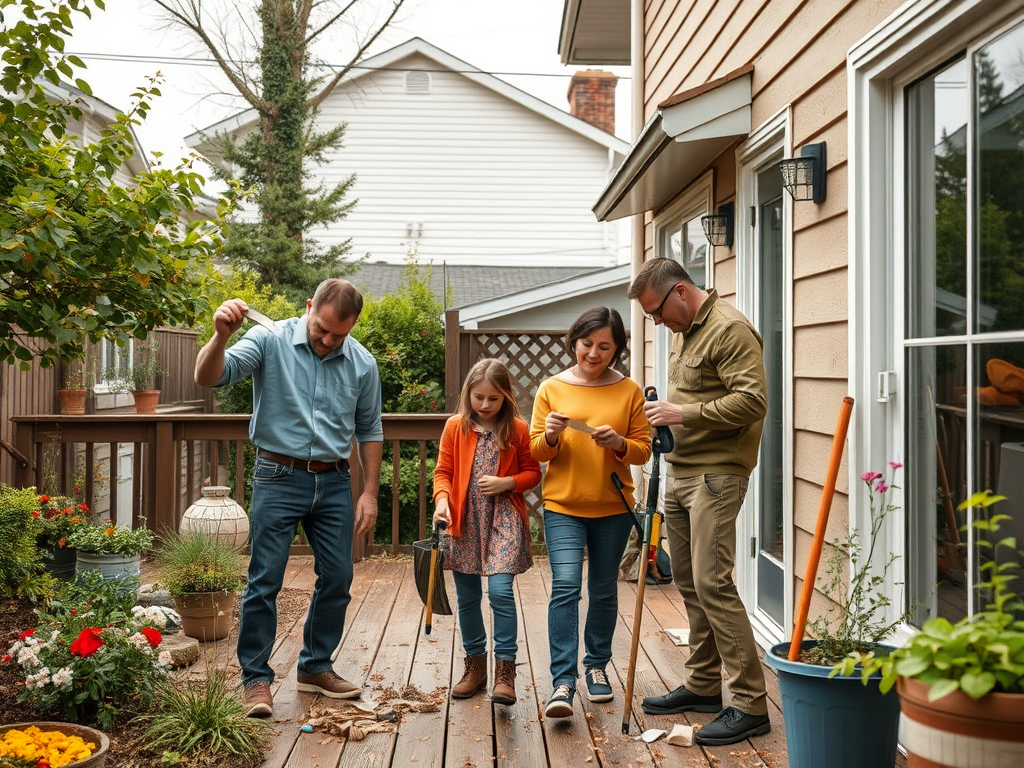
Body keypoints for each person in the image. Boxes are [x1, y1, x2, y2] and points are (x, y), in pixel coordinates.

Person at [194, 278, 384, 718]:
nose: (329, 340)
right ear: (308, 307)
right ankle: (256, 680)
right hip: (278, 476)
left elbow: (370, 430)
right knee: (265, 581)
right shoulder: (267, 337)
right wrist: (221, 334)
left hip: (335, 480)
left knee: (337, 578)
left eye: (341, 334)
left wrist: (369, 493)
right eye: (322, 329)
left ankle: (315, 666)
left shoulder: (362, 363)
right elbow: (210, 376)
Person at [627, 258, 770, 746]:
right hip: (682, 472)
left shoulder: (730, 330)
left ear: (681, 292)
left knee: (713, 582)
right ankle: (705, 686)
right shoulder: (683, 330)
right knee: (688, 580)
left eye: (657, 313)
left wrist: (681, 412)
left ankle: (750, 704)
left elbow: (753, 402)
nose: (657, 323)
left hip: (717, 475)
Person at [529, 306, 652, 718]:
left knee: (602, 588)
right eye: (587, 344)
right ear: (574, 342)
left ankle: (596, 667)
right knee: (565, 586)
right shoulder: (551, 388)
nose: (594, 354)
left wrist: (619, 442)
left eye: (605, 346)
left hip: (614, 508)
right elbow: (535, 451)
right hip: (562, 505)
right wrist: (548, 435)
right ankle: (562, 682)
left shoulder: (629, 391)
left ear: (617, 349)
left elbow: (643, 448)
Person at [432, 358, 542, 705]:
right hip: (464, 520)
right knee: (467, 597)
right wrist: (442, 501)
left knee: (500, 592)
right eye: (478, 397)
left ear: (505, 398)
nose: (484, 405)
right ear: (468, 394)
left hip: (504, 516)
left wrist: (508, 482)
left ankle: (504, 672)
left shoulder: (518, 429)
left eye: (493, 399)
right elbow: (443, 472)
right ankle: (475, 666)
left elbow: (533, 473)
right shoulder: (455, 427)